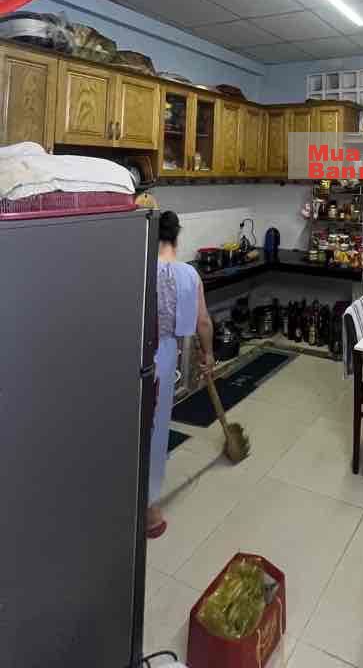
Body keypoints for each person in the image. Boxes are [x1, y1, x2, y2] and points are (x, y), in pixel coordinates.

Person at [147, 211, 214, 539]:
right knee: (156, 429)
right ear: (177, 236)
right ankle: (148, 510)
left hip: (131, 352)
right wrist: (208, 353)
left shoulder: (140, 269)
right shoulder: (188, 274)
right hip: (162, 356)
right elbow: (202, 321)